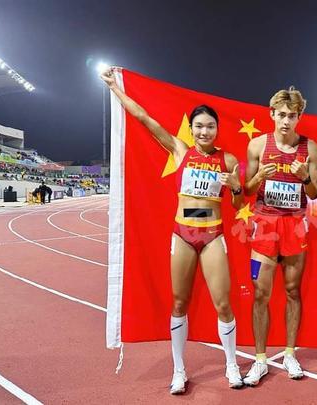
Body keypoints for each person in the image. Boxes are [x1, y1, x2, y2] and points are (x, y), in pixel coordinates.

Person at [101, 68, 244, 394]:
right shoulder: (180, 150)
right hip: (183, 235)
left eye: (210, 126)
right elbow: (144, 118)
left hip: (213, 236)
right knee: (179, 302)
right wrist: (115, 89)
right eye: (199, 126)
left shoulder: (228, 160)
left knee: (223, 304)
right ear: (191, 129)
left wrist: (236, 186)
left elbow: (238, 203)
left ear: (217, 129)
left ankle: (232, 365)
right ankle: (179, 371)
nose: (204, 131)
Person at [242, 87, 317, 386]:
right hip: (264, 226)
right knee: (260, 293)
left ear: (299, 117)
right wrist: (259, 176)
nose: (286, 121)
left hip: (295, 227)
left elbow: (315, 192)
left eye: (292, 116)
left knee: (292, 291)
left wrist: (304, 177)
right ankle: (260, 359)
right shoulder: (257, 145)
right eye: (282, 115)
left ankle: (289, 354)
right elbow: (247, 190)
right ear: (272, 114)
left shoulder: (310, 148)